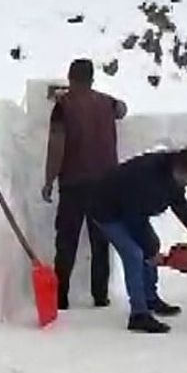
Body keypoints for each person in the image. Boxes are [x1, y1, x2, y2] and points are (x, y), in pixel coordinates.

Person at [41, 58, 129, 310]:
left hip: (74, 184)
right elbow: (122, 109)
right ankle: (100, 295)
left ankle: (61, 297)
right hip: (106, 183)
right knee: (100, 241)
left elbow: (56, 147)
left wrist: (49, 180)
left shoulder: (63, 107)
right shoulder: (106, 103)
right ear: (92, 79)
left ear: (70, 78)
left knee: (67, 241)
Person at [90, 148, 187, 334]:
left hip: (129, 211)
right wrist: (150, 252)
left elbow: (177, 200)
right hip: (106, 210)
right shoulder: (148, 177)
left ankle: (150, 298)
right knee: (135, 254)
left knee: (150, 246)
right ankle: (138, 314)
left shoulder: (171, 175)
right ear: (183, 170)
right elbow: (132, 217)